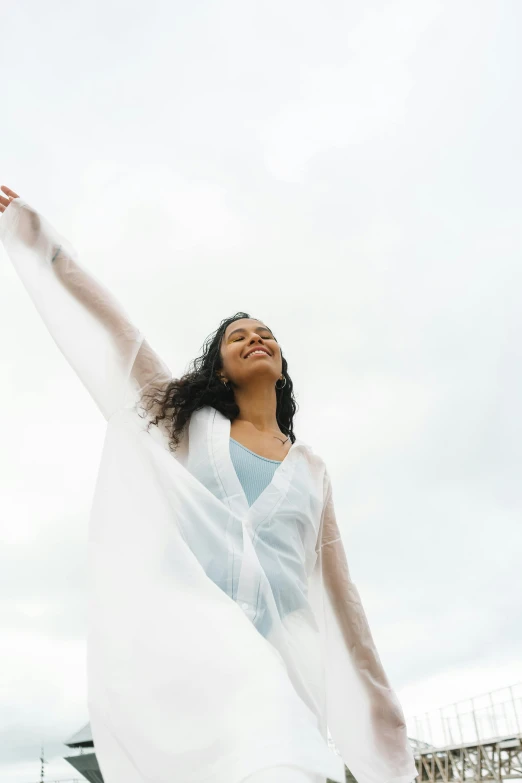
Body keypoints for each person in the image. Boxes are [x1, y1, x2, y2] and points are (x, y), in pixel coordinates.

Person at [0, 185, 417, 783]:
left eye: (265, 332)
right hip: (188, 663)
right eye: (238, 336)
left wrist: (381, 708)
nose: (255, 338)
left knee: (282, 764)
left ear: (281, 364)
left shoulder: (312, 472)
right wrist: (43, 243)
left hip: (276, 676)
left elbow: (342, 598)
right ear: (219, 367)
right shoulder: (188, 426)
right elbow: (122, 334)